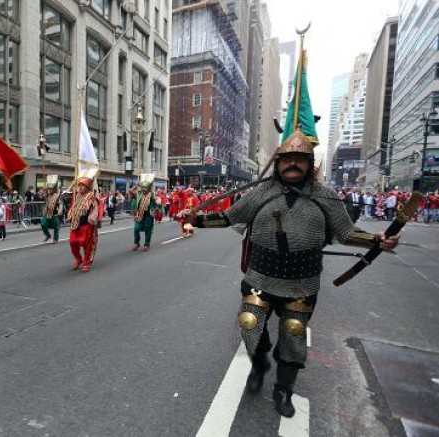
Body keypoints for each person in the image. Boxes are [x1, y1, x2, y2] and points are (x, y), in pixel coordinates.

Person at [180, 130, 400, 417]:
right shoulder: (260, 193)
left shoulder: (326, 197)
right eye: (287, 159)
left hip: (301, 281)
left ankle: (283, 390)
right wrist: (197, 219)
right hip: (261, 275)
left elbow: (345, 232)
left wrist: (376, 240)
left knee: (293, 335)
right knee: (250, 325)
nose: (292, 164)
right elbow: (227, 218)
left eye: (300, 159)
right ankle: (260, 363)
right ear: (278, 162)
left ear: (310, 164)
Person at [68, 176, 99, 272]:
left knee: (87, 245)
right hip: (75, 224)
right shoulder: (76, 195)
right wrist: (69, 214)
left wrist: (92, 217)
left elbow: (95, 208)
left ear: (88, 187)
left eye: (83, 185)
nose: (80, 187)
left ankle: (86, 263)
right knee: (72, 242)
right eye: (80, 185)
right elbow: (72, 207)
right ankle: (78, 259)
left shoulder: (91, 196)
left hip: (86, 224)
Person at [132, 175, 157, 252]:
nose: (143, 189)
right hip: (139, 214)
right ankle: (136, 243)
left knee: (147, 228)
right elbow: (131, 192)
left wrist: (155, 208)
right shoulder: (139, 194)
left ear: (148, 188)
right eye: (142, 187)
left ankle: (147, 244)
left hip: (148, 215)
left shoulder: (152, 195)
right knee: (136, 229)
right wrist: (136, 185)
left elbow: (155, 204)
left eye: (145, 187)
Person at [41, 176, 62, 243]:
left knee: (56, 227)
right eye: (49, 188)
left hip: (54, 213)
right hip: (46, 213)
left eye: (51, 189)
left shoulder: (57, 196)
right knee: (43, 224)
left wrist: (60, 210)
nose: (49, 190)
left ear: (54, 189)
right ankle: (48, 235)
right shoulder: (46, 195)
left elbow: (60, 204)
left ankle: (55, 239)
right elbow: (42, 199)